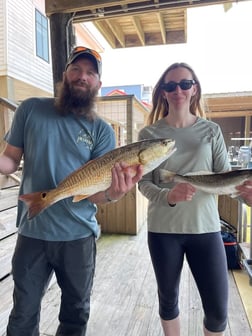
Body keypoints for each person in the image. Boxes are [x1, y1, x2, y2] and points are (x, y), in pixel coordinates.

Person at [0, 46, 143, 336]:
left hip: (78, 235)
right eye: (76, 69)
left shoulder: (101, 130)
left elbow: (96, 192)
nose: (82, 76)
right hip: (33, 230)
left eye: (91, 73)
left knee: (75, 314)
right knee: (23, 314)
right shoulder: (31, 109)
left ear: (98, 85)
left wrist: (115, 193)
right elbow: (10, 159)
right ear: (65, 74)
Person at [138, 62, 230, 336]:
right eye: (170, 85)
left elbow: (223, 178)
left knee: (217, 312)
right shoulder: (148, 135)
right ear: (163, 93)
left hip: (206, 228)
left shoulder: (211, 131)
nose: (177, 89)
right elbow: (143, 183)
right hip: (163, 231)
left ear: (194, 89)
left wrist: (243, 190)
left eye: (184, 84)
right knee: (168, 301)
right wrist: (169, 196)